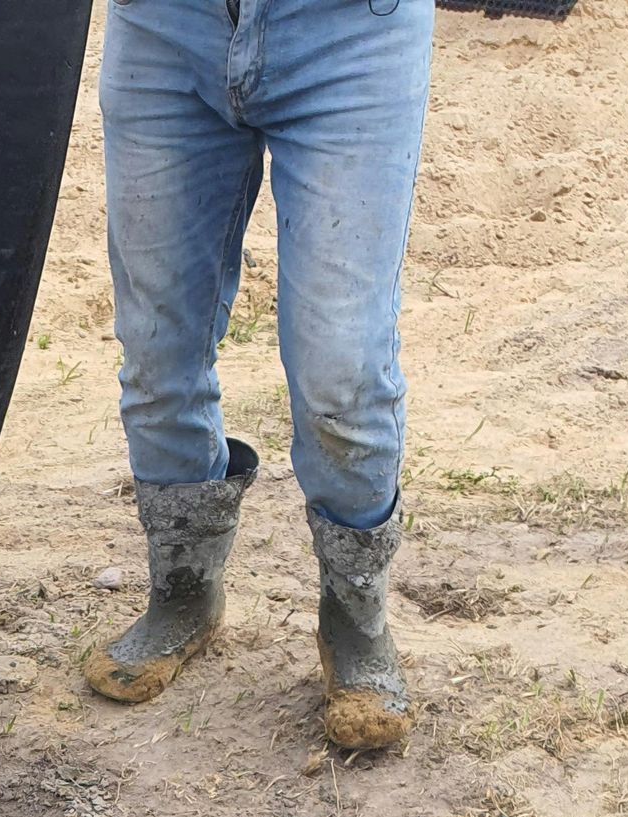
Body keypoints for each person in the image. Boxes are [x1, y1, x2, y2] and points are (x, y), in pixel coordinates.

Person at [80, 0, 435, 752]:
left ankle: (355, 612)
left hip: (351, 32)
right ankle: (182, 589)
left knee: (342, 369)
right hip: (165, 25)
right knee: (157, 344)